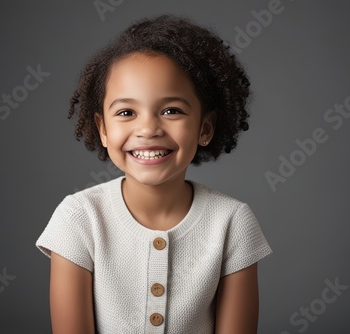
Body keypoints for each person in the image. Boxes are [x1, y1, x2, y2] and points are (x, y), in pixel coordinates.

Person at [36, 14, 272, 334]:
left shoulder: (232, 222)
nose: (147, 129)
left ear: (205, 128)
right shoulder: (78, 218)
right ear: (103, 129)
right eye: (126, 112)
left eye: (171, 110)